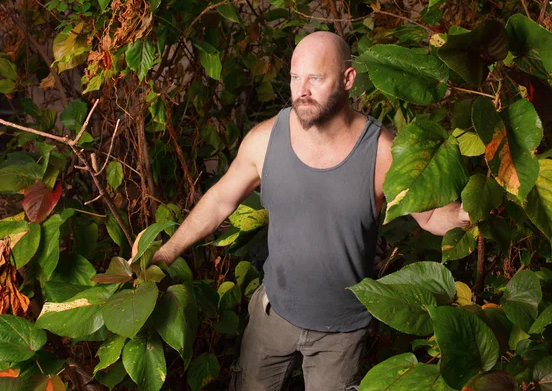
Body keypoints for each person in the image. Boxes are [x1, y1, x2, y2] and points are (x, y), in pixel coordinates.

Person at [152, 31, 470, 390]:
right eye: (295, 77)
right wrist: (165, 253)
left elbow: (428, 217)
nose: (302, 89)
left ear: (348, 80)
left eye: (316, 78)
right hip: (273, 314)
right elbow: (221, 198)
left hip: (341, 333)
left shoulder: (382, 153)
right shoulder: (265, 140)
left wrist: (469, 213)